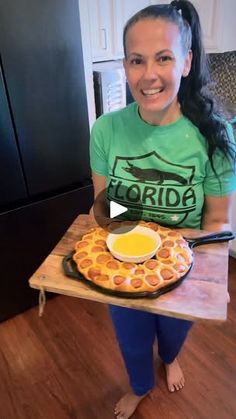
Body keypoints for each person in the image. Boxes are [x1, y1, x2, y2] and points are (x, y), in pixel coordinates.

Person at [89, 1, 236, 418]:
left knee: (172, 335)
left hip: (183, 271)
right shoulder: (106, 130)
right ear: (125, 65)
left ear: (186, 62)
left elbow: (215, 222)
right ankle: (140, 386)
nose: (148, 74)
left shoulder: (213, 135)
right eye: (137, 60)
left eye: (164, 58)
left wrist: (170, 254)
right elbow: (103, 205)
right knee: (132, 341)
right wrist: (134, 241)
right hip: (122, 266)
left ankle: (170, 358)